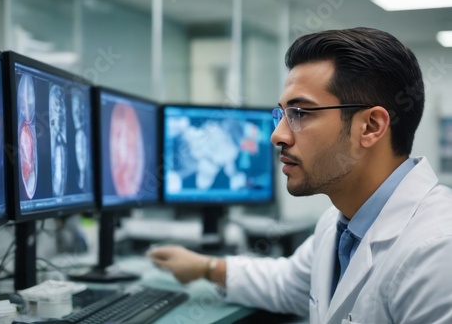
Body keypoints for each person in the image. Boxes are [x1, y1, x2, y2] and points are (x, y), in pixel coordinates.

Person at [147, 27, 452, 324]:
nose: (277, 136)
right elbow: (287, 285)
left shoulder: (438, 251)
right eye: (281, 114)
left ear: (370, 127)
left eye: (301, 114)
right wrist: (205, 266)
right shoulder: (340, 224)